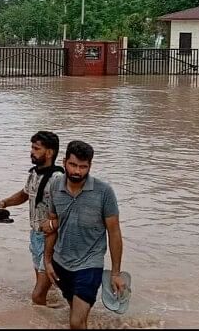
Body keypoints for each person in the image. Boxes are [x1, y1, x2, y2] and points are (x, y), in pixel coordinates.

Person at [43, 140, 125, 329]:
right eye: (73, 165)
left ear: (90, 166)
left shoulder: (104, 192)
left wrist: (116, 273)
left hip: (90, 264)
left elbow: (114, 232)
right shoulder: (55, 186)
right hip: (61, 262)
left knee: (75, 322)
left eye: (83, 167)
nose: (77, 171)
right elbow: (51, 226)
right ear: (64, 162)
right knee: (78, 319)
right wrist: (47, 261)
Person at [0, 131, 64, 305]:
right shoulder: (34, 174)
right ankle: (59, 313)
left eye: (36, 148)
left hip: (51, 239)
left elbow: (68, 211)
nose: (31, 152)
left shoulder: (58, 180)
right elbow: (25, 194)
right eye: (32, 147)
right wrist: (4, 203)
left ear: (49, 153)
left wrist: (54, 226)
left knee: (37, 295)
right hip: (35, 236)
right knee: (50, 287)